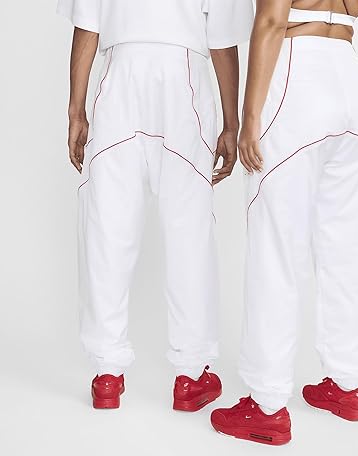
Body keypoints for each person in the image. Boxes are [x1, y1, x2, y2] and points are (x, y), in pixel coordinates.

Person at [211, 0, 358, 445]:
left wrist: (250, 117)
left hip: (296, 79)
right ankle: (348, 385)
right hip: (354, 88)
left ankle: (266, 405)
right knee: (349, 248)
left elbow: (272, 20)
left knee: (276, 247)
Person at [57, 0, 253, 410]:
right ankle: (191, 375)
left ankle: (107, 374)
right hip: (184, 76)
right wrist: (231, 123)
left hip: (120, 73)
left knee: (107, 225)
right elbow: (221, 40)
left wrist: (77, 110)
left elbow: (87, 24)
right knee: (189, 228)